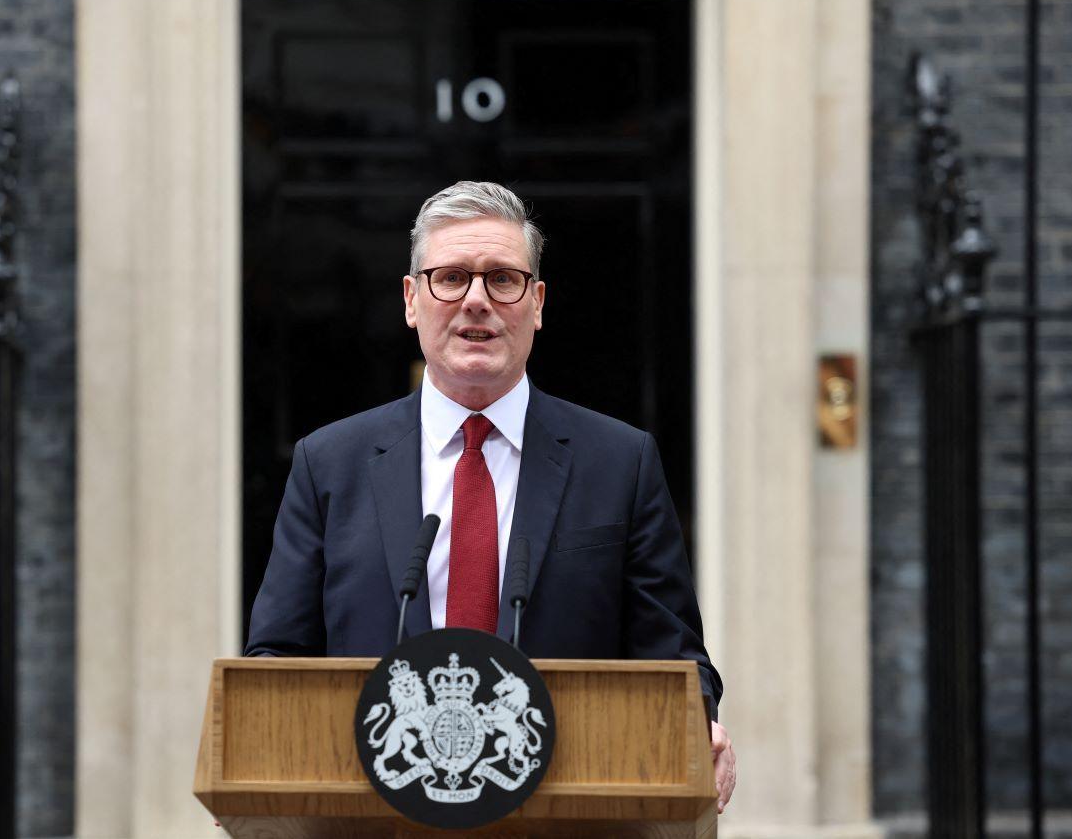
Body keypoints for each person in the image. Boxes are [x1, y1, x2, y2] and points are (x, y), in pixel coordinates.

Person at [246, 181, 736, 811]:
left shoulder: (619, 462)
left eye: (502, 279)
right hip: (370, 817)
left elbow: (675, 660)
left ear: (536, 303)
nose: (476, 300)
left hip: (570, 814)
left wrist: (699, 722)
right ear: (411, 300)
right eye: (450, 277)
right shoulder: (329, 463)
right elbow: (276, 660)